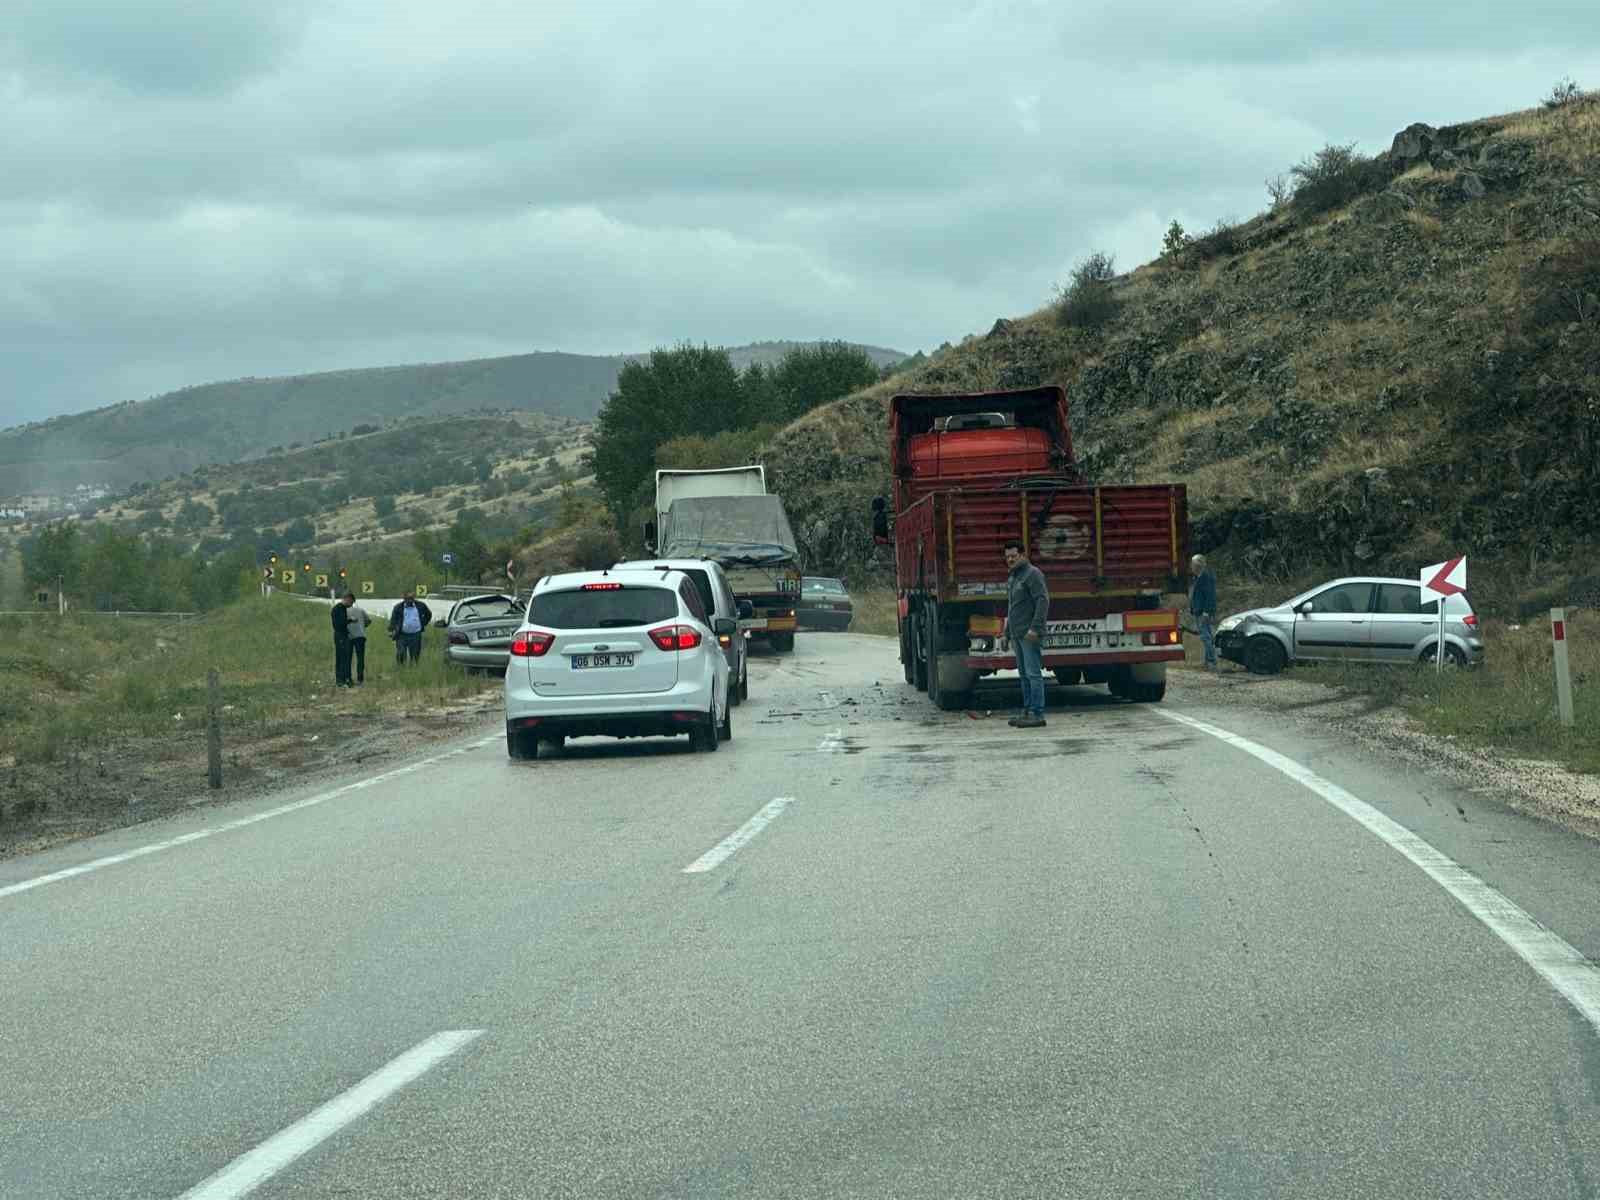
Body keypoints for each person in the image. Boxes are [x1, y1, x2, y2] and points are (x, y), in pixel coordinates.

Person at [1001, 539, 1049, 728]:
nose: (1010, 560)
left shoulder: (1033, 574)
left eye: (1013, 556)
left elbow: (1043, 601)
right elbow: (1012, 607)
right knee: (1023, 675)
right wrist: (1006, 633)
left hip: (1029, 634)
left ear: (1023, 555)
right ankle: (1027, 711)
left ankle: (1038, 714)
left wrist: (1035, 628)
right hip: (1017, 633)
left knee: (1033, 674)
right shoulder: (1013, 577)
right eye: (1007, 557)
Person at [1190, 553, 1218, 671]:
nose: (1191, 566)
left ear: (1198, 565)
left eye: (1193, 564)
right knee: (1207, 636)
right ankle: (1207, 662)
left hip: (1203, 612)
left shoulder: (1206, 578)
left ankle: (1212, 661)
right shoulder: (1199, 577)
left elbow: (1210, 596)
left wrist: (1206, 612)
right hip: (1199, 611)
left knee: (1205, 637)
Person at [389, 591, 432, 665]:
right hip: (401, 634)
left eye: (411, 599)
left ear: (414, 599)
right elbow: (393, 620)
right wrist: (391, 630)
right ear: (404, 599)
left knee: (415, 654)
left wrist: (423, 623)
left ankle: (413, 668)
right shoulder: (398, 607)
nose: (410, 600)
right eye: (408, 599)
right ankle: (401, 668)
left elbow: (428, 614)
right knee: (401, 652)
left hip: (416, 634)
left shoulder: (421, 605)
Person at [343, 593, 370, 685]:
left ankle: (348, 678)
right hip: (360, 636)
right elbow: (368, 621)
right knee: (360, 658)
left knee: (348, 658)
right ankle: (360, 678)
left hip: (349, 637)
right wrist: (362, 626)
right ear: (354, 601)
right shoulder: (360, 610)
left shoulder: (344, 611)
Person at [331, 593, 355, 688]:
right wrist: (350, 620)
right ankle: (340, 680)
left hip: (343, 635)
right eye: (351, 602)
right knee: (342, 658)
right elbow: (340, 624)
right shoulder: (338, 609)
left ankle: (345, 678)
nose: (351, 605)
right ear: (347, 599)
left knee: (345, 658)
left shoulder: (342, 608)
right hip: (340, 636)